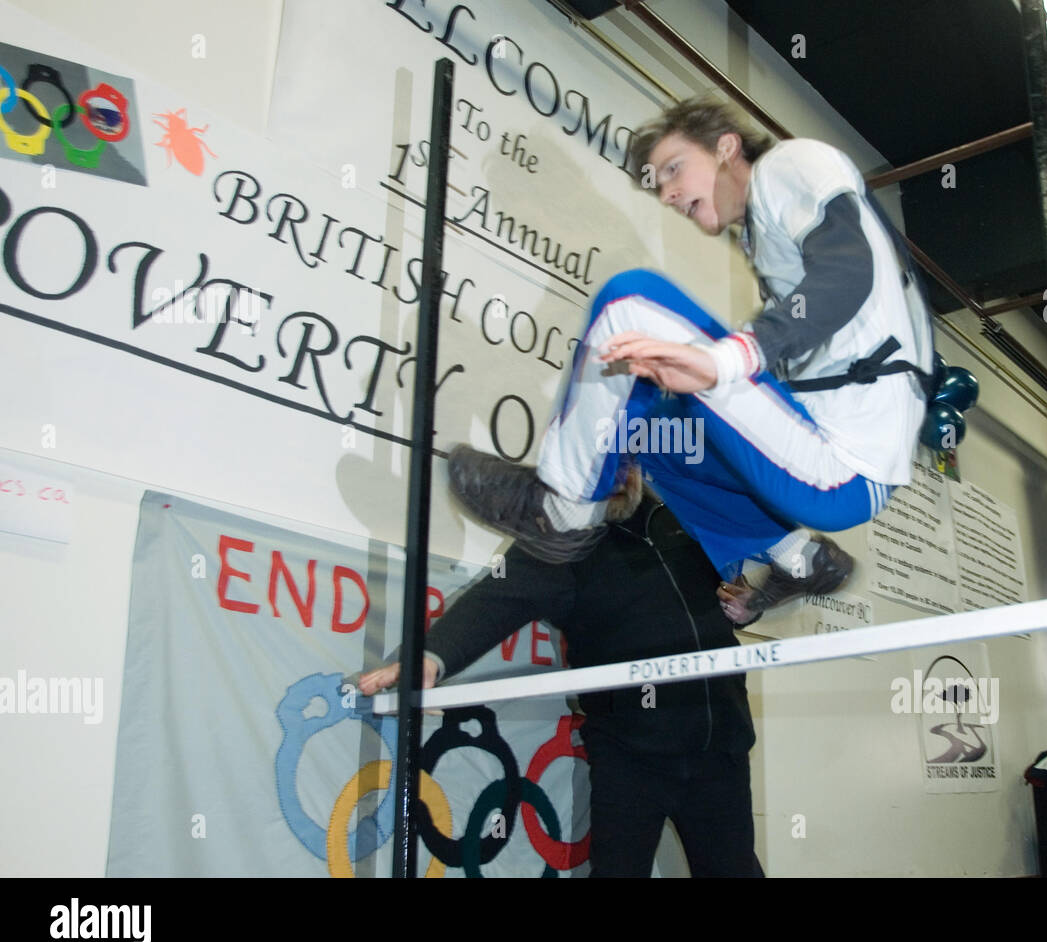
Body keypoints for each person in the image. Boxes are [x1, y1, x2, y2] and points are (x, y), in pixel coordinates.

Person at [449, 95, 934, 624]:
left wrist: (729, 359)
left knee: (629, 300)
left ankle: (562, 509)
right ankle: (801, 558)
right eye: (661, 186)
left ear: (727, 147)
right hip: (825, 471)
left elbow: (847, 274)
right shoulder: (767, 239)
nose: (670, 192)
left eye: (676, 169)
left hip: (839, 466)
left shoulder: (788, 165)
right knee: (652, 437)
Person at [359, 469, 764, 877]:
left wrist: (753, 602)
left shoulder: (685, 514)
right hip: (632, 757)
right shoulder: (561, 542)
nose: (621, 470)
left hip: (721, 751)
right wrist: (430, 659)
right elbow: (494, 600)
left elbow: (749, 577)